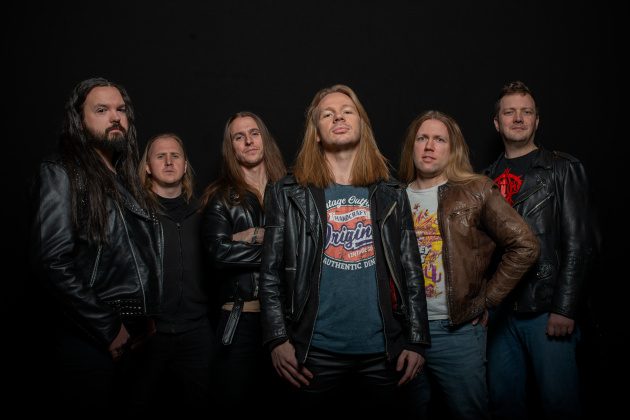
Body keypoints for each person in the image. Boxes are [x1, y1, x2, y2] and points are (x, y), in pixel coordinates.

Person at [259, 84, 429, 414]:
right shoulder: (287, 192)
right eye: (328, 114)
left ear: (362, 125)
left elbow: (411, 269)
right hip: (314, 351)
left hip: (384, 351)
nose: (338, 117)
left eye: (347, 111)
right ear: (316, 133)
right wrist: (277, 339)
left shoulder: (392, 192)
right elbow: (270, 275)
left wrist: (418, 340)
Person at [30, 77, 162, 412]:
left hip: (134, 337)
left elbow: (137, 257)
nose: (115, 117)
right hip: (92, 337)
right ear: (79, 119)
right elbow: (52, 261)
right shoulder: (62, 171)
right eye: (101, 110)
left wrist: (146, 319)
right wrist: (108, 327)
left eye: (121, 110)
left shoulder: (124, 179)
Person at [398, 110, 539, 419]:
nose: (429, 146)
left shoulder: (476, 190)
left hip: (457, 333)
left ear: (453, 149)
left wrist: (487, 299)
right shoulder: (393, 198)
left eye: (439, 139)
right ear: (412, 146)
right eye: (422, 138)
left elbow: (525, 245)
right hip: (404, 333)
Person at [484, 81, 592, 420]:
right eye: (510, 112)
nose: (518, 118)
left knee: (559, 405)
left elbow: (580, 242)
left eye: (526, 112)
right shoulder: (483, 179)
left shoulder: (563, 168)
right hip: (498, 316)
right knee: (504, 406)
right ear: (497, 122)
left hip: (547, 311)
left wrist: (564, 308)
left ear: (536, 120)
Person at [201, 112, 286, 411]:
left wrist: (251, 237)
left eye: (254, 133)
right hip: (241, 320)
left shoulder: (290, 191)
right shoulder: (221, 197)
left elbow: (307, 250)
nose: (248, 141)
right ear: (232, 147)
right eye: (239, 137)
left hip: (286, 320)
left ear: (265, 139)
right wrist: (279, 248)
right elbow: (218, 253)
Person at [132, 133, 213, 412]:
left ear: (185, 164)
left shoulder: (204, 213)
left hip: (197, 331)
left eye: (175, 156)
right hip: (149, 333)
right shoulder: (136, 215)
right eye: (160, 156)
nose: (168, 161)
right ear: (147, 167)